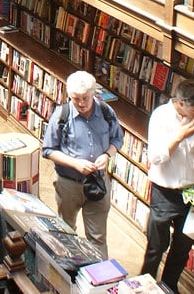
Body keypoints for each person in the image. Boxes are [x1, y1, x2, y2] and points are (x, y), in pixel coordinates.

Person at [140, 78, 194, 293]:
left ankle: (168, 286)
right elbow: (156, 158)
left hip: (191, 192)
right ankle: (143, 287)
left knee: (182, 247)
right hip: (164, 192)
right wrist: (179, 137)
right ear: (181, 102)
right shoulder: (160, 117)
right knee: (157, 246)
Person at [41, 70, 123, 259]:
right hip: (69, 184)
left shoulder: (106, 112)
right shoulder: (61, 115)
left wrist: (107, 155)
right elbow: (48, 150)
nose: (81, 103)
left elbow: (117, 139)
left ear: (94, 93)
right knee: (66, 231)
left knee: (98, 237)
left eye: (85, 98)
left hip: (98, 182)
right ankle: (68, 274)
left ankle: (98, 281)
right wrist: (75, 164)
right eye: (75, 99)